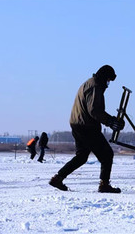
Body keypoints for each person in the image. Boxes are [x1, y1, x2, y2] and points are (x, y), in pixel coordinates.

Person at [49, 65, 125, 193]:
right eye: (108, 81)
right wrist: (110, 121)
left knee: (81, 156)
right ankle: (104, 185)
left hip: (77, 124)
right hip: (86, 126)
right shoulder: (95, 86)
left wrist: (109, 121)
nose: (108, 84)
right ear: (104, 77)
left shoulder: (89, 83)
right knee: (107, 154)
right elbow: (94, 110)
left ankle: (58, 178)